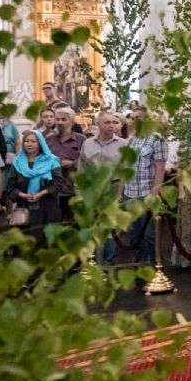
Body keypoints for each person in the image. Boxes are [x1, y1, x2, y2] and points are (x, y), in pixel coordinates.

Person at [121, 102, 167, 266]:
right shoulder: (131, 140)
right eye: (131, 118)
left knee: (148, 233)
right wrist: (121, 192)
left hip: (146, 192)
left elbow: (160, 169)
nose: (133, 121)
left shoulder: (156, 139)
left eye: (137, 118)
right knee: (135, 231)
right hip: (130, 192)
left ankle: (152, 265)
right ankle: (140, 262)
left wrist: (154, 195)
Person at [82, 110, 130, 265]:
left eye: (114, 122)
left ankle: (108, 262)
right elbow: (82, 167)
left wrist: (120, 193)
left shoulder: (123, 144)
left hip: (113, 187)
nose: (112, 126)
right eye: (107, 122)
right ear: (98, 124)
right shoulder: (87, 143)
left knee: (110, 228)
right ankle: (93, 262)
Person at [4, 128, 64, 236]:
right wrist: (23, 195)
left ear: (40, 143)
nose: (29, 144)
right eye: (27, 141)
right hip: (25, 209)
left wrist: (41, 193)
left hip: (48, 209)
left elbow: (58, 183)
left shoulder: (51, 160)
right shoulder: (17, 162)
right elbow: (10, 186)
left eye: (33, 141)